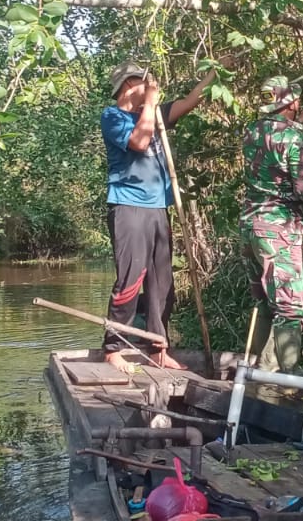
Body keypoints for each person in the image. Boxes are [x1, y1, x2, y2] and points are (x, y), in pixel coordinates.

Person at [100, 61, 216, 372]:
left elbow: (191, 100)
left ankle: (157, 348)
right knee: (130, 278)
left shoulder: (155, 116)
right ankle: (113, 347)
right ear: (128, 86)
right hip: (128, 206)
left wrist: (216, 72)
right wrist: (150, 103)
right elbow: (138, 142)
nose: (151, 87)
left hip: (157, 209)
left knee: (162, 283)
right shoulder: (113, 116)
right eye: (144, 82)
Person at [240, 75, 303, 372]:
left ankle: (259, 371)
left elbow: (272, 147)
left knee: (266, 302)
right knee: (290, 308)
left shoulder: (252, 131)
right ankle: (287, 381)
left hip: (250, 226)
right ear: (291, 101)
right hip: (279, 228)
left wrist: (297, 123)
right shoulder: (295, 140)